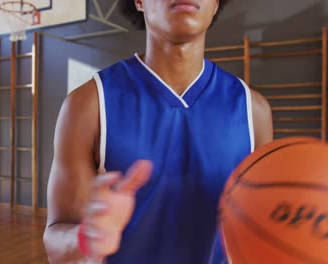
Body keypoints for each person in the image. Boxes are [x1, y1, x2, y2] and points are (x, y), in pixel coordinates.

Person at [43, 0, 273, 263]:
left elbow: (258, 234)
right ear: (139, 2)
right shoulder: (88, 105)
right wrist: (88, 236)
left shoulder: (253, 112)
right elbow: (55, 244)